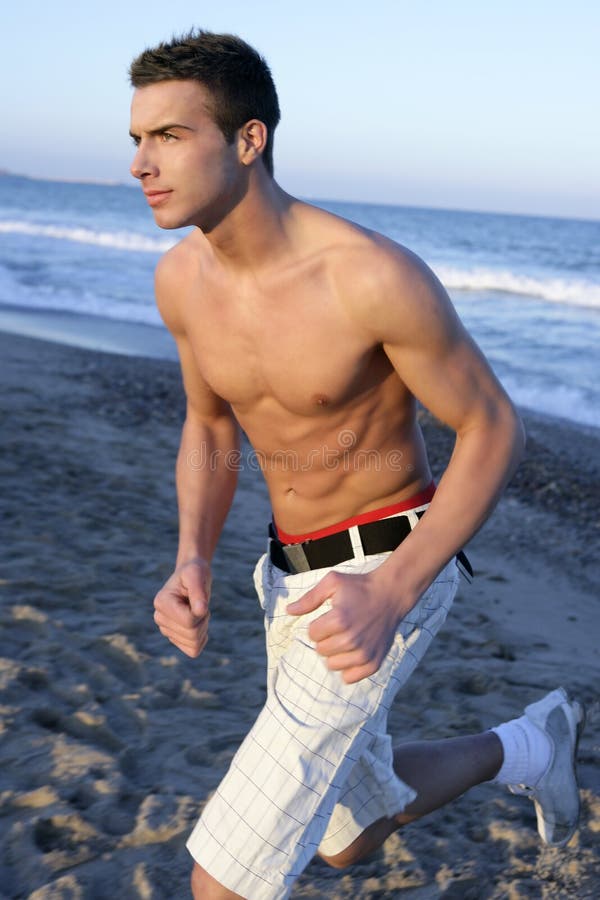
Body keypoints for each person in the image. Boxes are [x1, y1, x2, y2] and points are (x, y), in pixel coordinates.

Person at [128, 30, 585, 900]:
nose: (145, 163)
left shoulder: (368, 277)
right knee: (347, 835)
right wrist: (192, 555)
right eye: (138, 140)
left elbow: (495, 429)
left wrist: (395, 590)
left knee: (220, 878)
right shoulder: (181, 281)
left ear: (249, 139)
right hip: (287, 576)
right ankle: (532, 743)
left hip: (387, 563)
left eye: (172, 136)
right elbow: (208, 422)